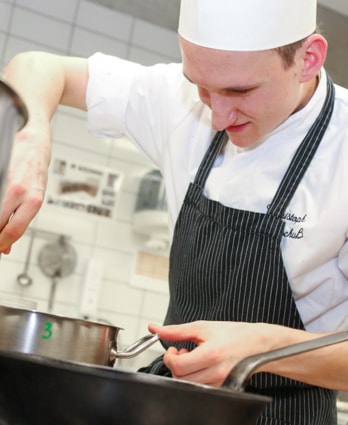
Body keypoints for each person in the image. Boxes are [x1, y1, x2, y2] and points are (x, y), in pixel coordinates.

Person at [1, 0, 348, 423]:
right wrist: (30, 132)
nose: (217, 116)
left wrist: (259, 347)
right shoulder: (179, 102)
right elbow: (38, 66)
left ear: (308, 59)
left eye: (240, 91)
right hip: (174, 409)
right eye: (201, 86)